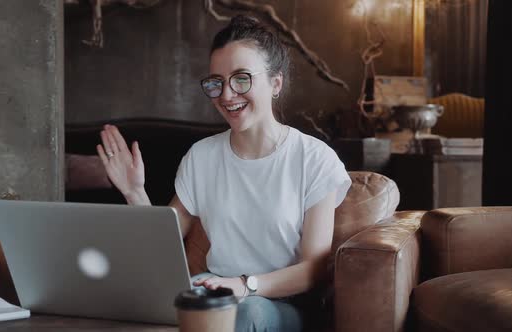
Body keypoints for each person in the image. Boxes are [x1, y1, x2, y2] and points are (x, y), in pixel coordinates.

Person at [96, 15, 351, 331]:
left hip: (279, 304)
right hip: (213, 292)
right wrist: (135, 192)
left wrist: (244, 286)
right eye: (216, 82)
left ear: (275, 83)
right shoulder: (202, 157)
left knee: (243, 315)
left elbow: (313, 270)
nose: (226, 95)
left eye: (241, 78)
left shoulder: (314, 159)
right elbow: (163, 246)